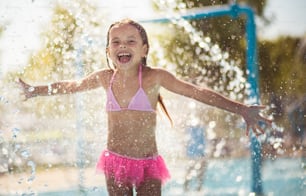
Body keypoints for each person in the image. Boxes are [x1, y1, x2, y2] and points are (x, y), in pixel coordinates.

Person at [18, 18, 272, 196]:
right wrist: (36, 90)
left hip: (149, 163)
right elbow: (71, 85)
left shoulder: (155, 77)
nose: (123, 46)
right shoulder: (105, 78)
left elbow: (196, 92)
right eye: (115, 42)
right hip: (115, 161)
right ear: (108, 51)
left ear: (143, 50)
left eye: (130, 41)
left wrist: (240, 109)